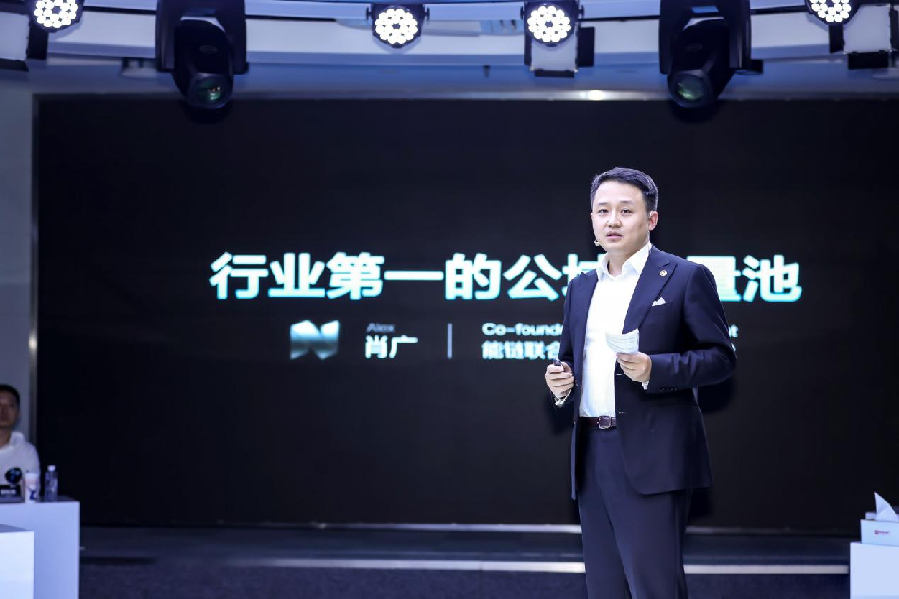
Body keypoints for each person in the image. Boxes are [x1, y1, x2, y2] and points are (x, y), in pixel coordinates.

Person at [544, 167, 736, 599]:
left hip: (654, 455)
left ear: (651, 219)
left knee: (654, 587)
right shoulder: (581, 286)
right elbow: (570, 357)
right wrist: (561, 381)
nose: (612, 220)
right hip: (592, 452)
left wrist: (655, 369)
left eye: (625, 210)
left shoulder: (685, 276)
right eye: (602, 211)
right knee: (604, 588)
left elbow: (720, 358)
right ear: (592, 220)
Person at [0, 384, 40, 480]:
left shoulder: (27, 451)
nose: (4, 411)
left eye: (11, 405)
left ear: (18, 414)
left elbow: (32, 488)